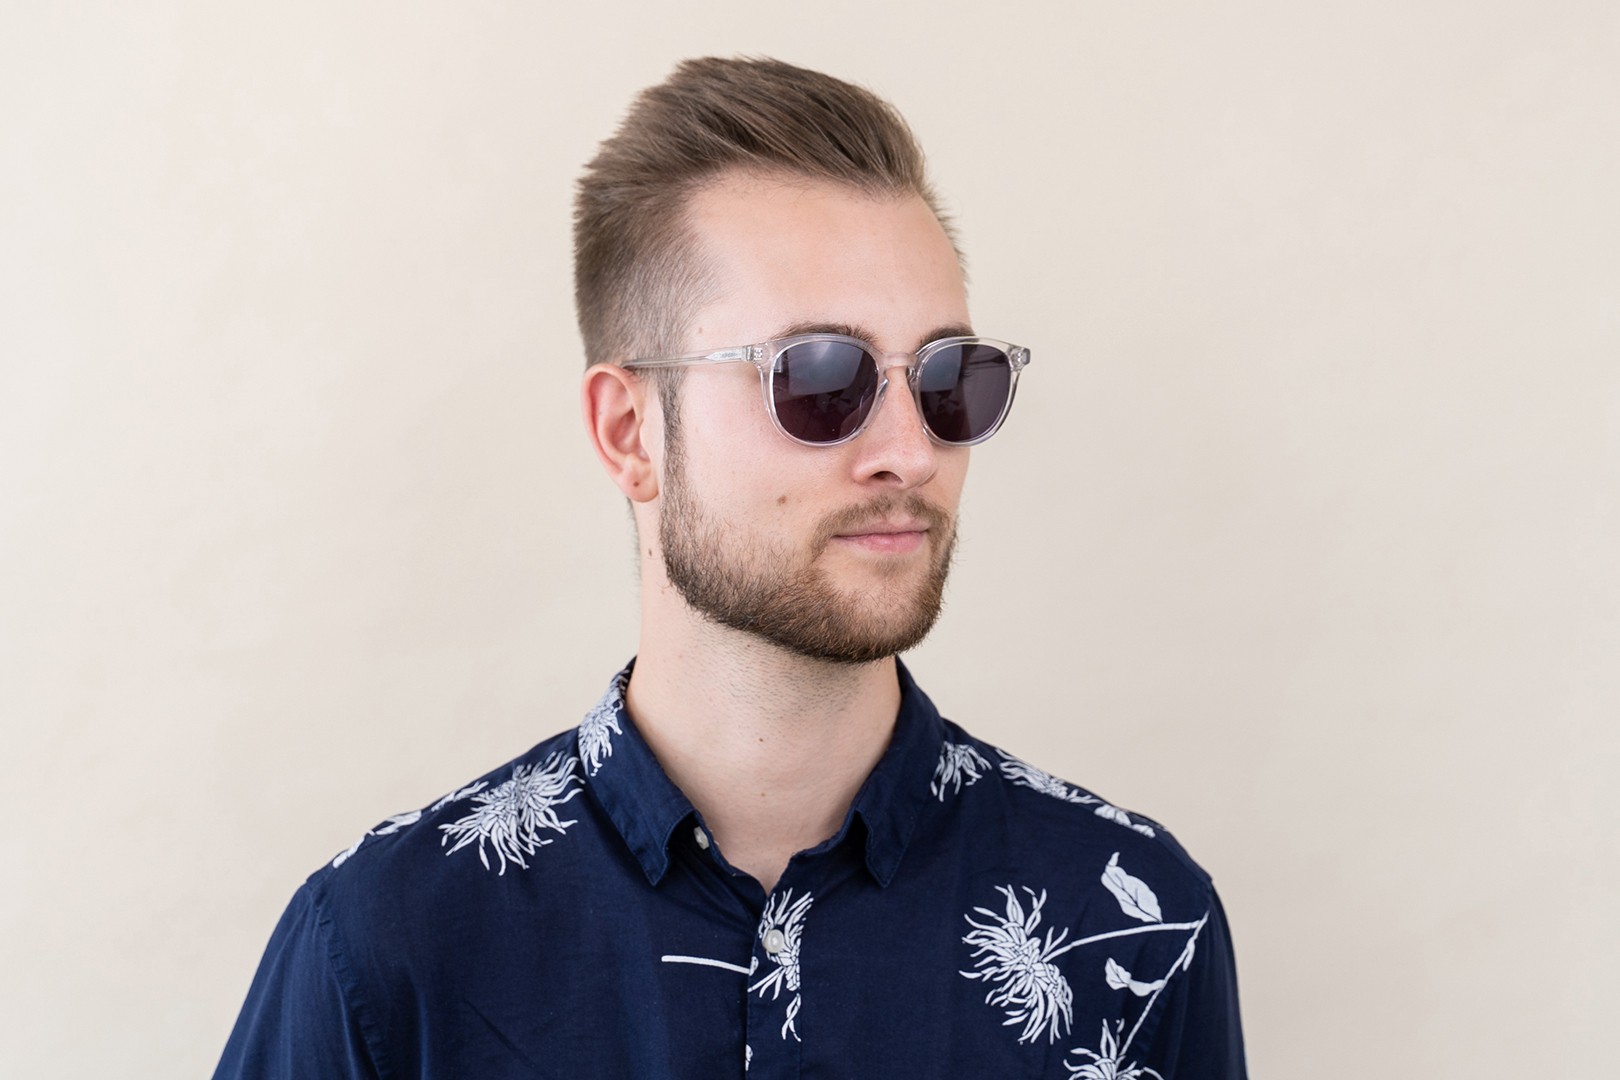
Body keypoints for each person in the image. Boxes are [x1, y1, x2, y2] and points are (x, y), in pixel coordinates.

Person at [213, 56, 1246, 1079]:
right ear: (630, 432)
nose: (911, 451)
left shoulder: (1138, 933)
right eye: (821, 378)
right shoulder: (385, 952)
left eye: (948, 379)